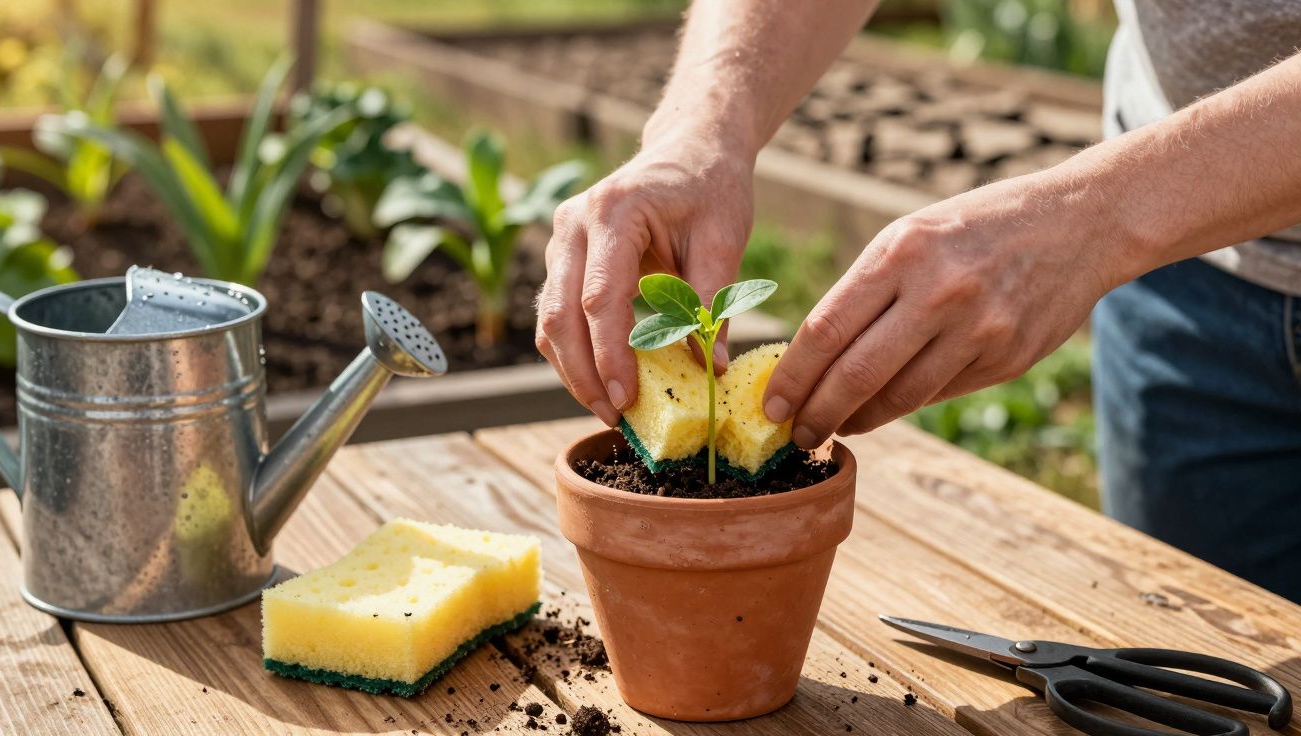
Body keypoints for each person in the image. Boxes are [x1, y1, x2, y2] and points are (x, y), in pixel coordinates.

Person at [534, 1, 1301, 600]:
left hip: (1148, 218)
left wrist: (1101, 217)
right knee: (1194, 650)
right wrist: (700, 127)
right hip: (1186, 277)